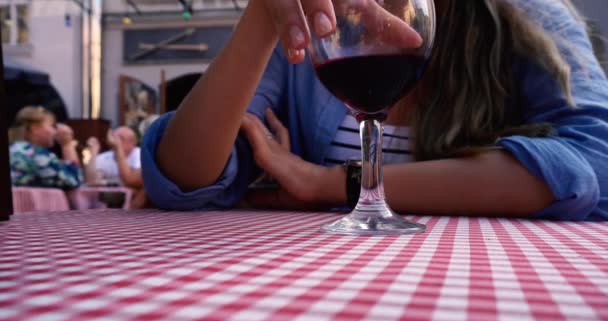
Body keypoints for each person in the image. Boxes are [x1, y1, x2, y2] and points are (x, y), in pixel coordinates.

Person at [142, 0, 608, 221]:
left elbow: (595, 163)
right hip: (318, 296)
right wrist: (264, 15)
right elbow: (183, 179)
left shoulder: (528, 14)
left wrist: (324, 183)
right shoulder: (307, 23)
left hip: (497, 285)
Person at [8, 106, 82, 190]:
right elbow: (75, 180)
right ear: (35, 128)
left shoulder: (14, 149)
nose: (55, 131)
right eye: (52, 126)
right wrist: (67, 144)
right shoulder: (35, 154)